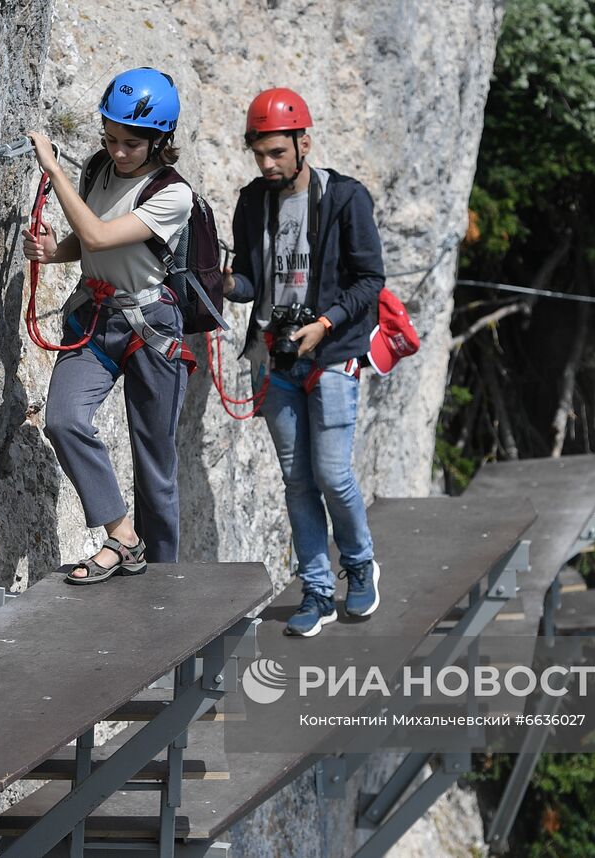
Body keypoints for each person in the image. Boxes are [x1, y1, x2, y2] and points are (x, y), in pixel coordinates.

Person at [223, 87, 385, 636]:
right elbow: (248, 281)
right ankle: (316, 590)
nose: (267, 165)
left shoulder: (345, 199)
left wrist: (326, 324)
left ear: (303, 142)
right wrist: (224, 282)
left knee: (333, 474)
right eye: (258, 154)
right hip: (275, 356)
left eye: (276, 153)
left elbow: (370, 281)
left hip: (333, 352)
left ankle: (359, 565)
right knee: (296, 480)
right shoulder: (252, 201)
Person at [22, 67, 194, 584]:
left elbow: (98, 235)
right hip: (96, 317)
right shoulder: (99, 167)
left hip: (150, 326)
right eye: (111, 138)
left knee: (154, 464)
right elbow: (88, 238)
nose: (118, 152)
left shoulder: (173, 193)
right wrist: (56, 253)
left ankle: (163, 585)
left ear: (160, 140)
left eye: (131, 143)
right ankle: (122, 535)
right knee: (63, 419)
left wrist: (52, 171)